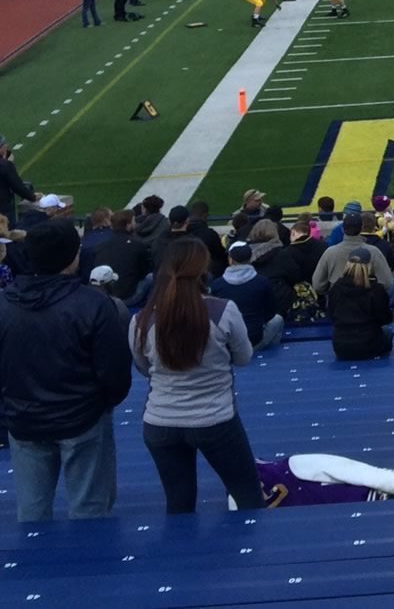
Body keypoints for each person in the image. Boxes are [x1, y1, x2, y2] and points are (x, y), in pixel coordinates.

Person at [0, 220, 133, 521]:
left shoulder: (6, 304)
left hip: (26, 419)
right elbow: (114, 371)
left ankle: (36, 566)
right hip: (80, 417)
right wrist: (100, 404)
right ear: (73, 256)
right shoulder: (94, 303)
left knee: (32, 513)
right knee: (89, 512)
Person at [129, 237, 265, 513]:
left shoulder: (142, 320)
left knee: (178, 504)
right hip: (214, 419)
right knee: (248, 495)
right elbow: (244, 357)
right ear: (204, 271)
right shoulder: (222, 310)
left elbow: (143, 367)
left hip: (161, 420)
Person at [209, 239, 284, 348]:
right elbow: (270, 313)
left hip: (228, 343)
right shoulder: (262, 282)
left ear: (230, 260)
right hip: (255, 340)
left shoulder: (217, 285)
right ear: (250, 258)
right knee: (278, 319)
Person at [325, 247, 392, 360]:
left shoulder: (336, 288)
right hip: (370, 344)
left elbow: (331, 315)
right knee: (388, 332)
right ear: (369, 265)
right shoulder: (376, 289)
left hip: (341, 346)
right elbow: (385, 318)